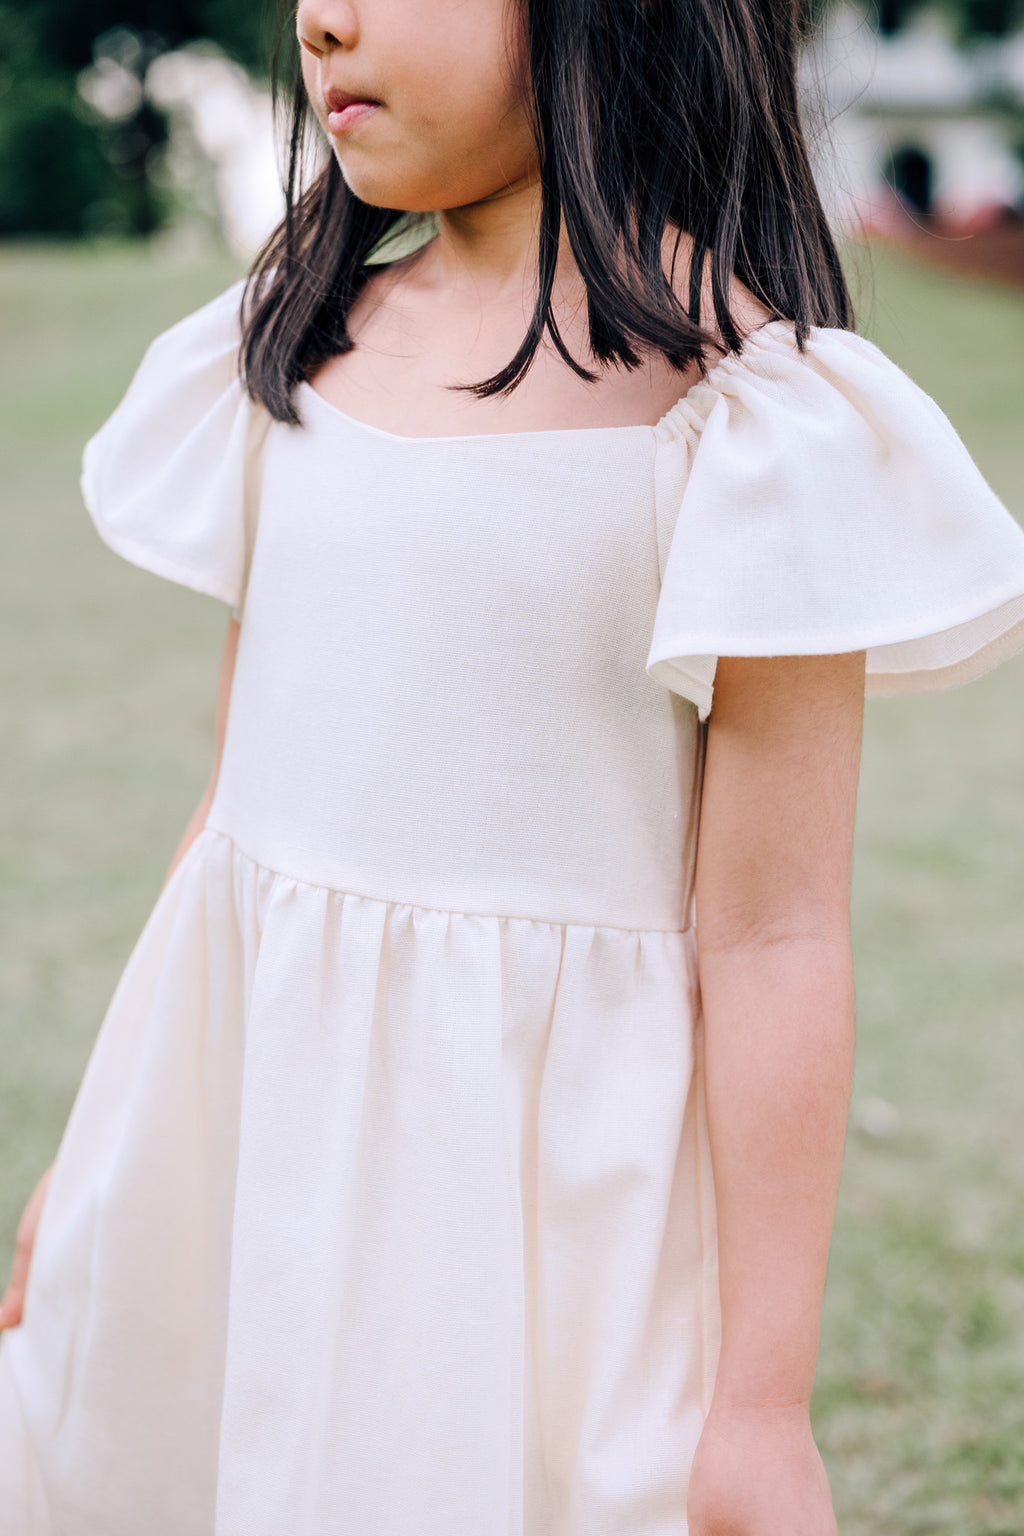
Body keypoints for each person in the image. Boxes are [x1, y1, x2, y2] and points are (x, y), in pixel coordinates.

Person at [2, 0, 1023, 1531]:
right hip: (245, 1151)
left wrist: (758, 1404)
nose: (320, 19)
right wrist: (93, 1175)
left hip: (531, 1226)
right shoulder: (295, 349)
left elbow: (774, 933)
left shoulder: (750, 424)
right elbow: (232, 819)